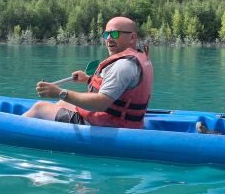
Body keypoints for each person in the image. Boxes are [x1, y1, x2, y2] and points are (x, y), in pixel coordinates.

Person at [23, 16, 154, 128]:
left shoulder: (123, 65)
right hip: (121, 121)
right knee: (64, 103)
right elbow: (119, 88)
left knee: (39, 108)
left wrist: (59, 92)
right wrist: (88, 79)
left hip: (108, 126)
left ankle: (18, 131)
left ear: (132, 37)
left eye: (114, 34)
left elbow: (101, 103)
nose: (109, 38)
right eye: (106, 34)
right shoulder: (137, 59)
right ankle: (56, 134)